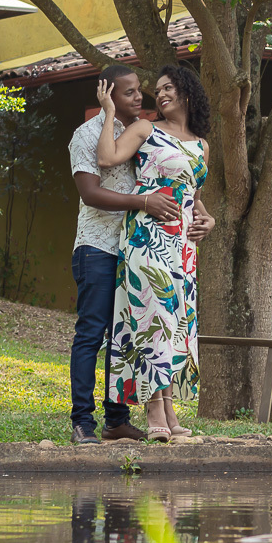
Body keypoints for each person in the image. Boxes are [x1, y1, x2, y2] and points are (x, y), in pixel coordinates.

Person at [95, 64, 214, 442]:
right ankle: (152, 408)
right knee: (151, 318)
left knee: (175, 322)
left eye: (168, 89)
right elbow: (107, 158)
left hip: (183, 247)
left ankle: (169, 408)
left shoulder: (201, 145)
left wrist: (208, 221)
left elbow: (195, 199)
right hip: (147, 237)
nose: (159, 95)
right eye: (156, 90)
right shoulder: (146, 130)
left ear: (186, 93)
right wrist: (110, 113)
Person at [67, 65, 184, 444]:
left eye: (139, 91)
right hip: (98, 247)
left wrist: (199, 214)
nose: (140, 98)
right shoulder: (85, 135)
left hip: (136, 249)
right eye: (130, 92)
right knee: (92, 334)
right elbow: (90, 192)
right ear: (108, 95)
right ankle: (82, 421)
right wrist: (142, 202)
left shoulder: (146, 133)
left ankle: (116, 420)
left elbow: (173, 176)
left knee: (126, 338)